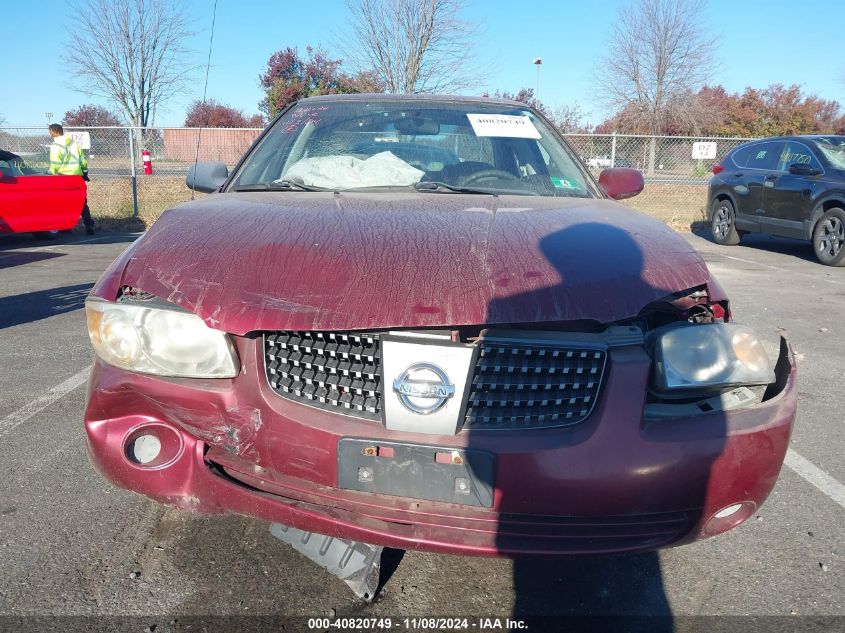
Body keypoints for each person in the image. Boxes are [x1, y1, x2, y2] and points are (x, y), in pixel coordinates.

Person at [48, 123, 95, 234]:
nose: (50, 135)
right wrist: (85, 173)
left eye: (50, 132)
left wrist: (49, 173)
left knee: (62, 203)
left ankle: (66, 227)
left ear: (54, 132)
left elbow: (55, 164)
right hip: (77, 178)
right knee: (82, 203)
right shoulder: (74, 145)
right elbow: (83, 161)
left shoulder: (55, 146)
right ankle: (89, 225)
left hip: (63, 178)